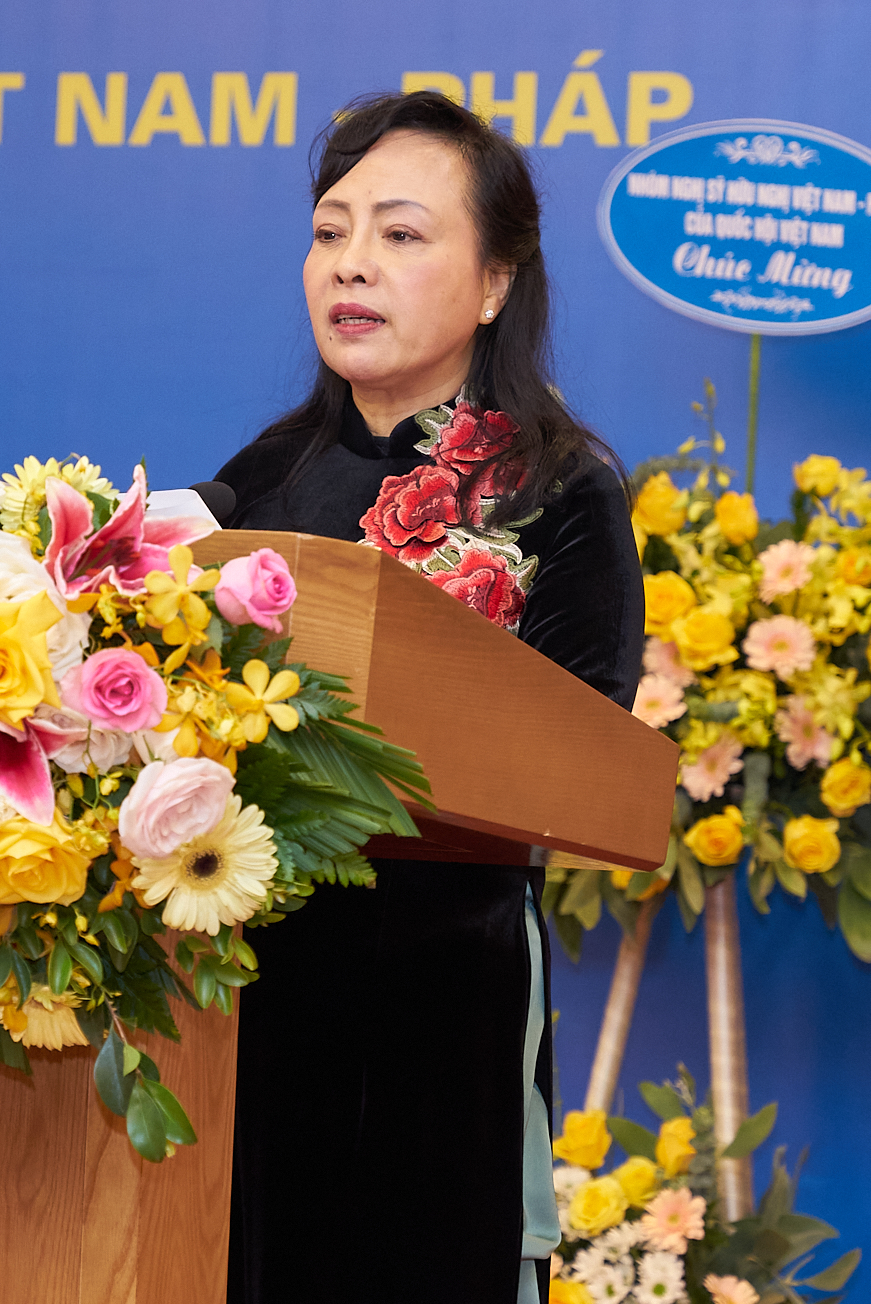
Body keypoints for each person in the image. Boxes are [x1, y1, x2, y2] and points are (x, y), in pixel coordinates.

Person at [218, 90, 643, 1303]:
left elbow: (577, 759)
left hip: (440, 1005)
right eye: (329, 231)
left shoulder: (557, 492)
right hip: (235, 999)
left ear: (495, 281)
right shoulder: (260, 481)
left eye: (399, 234)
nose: (349, 263)